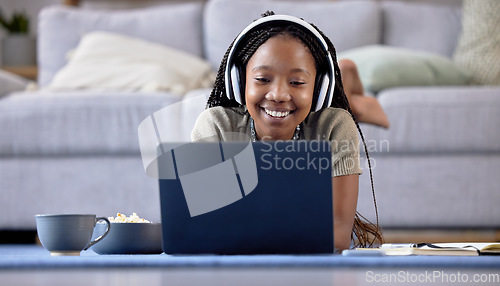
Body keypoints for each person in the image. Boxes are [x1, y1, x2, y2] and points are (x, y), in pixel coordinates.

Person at [191, 11, 383, 251]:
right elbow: (201, 228)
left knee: (353, 106)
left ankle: (355, 91)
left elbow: (338, 236)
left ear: (320, 89)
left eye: (297, 82)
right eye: (262, 79)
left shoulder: (334, 125)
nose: (278, 95)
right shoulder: (216, 125)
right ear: (239, 82)